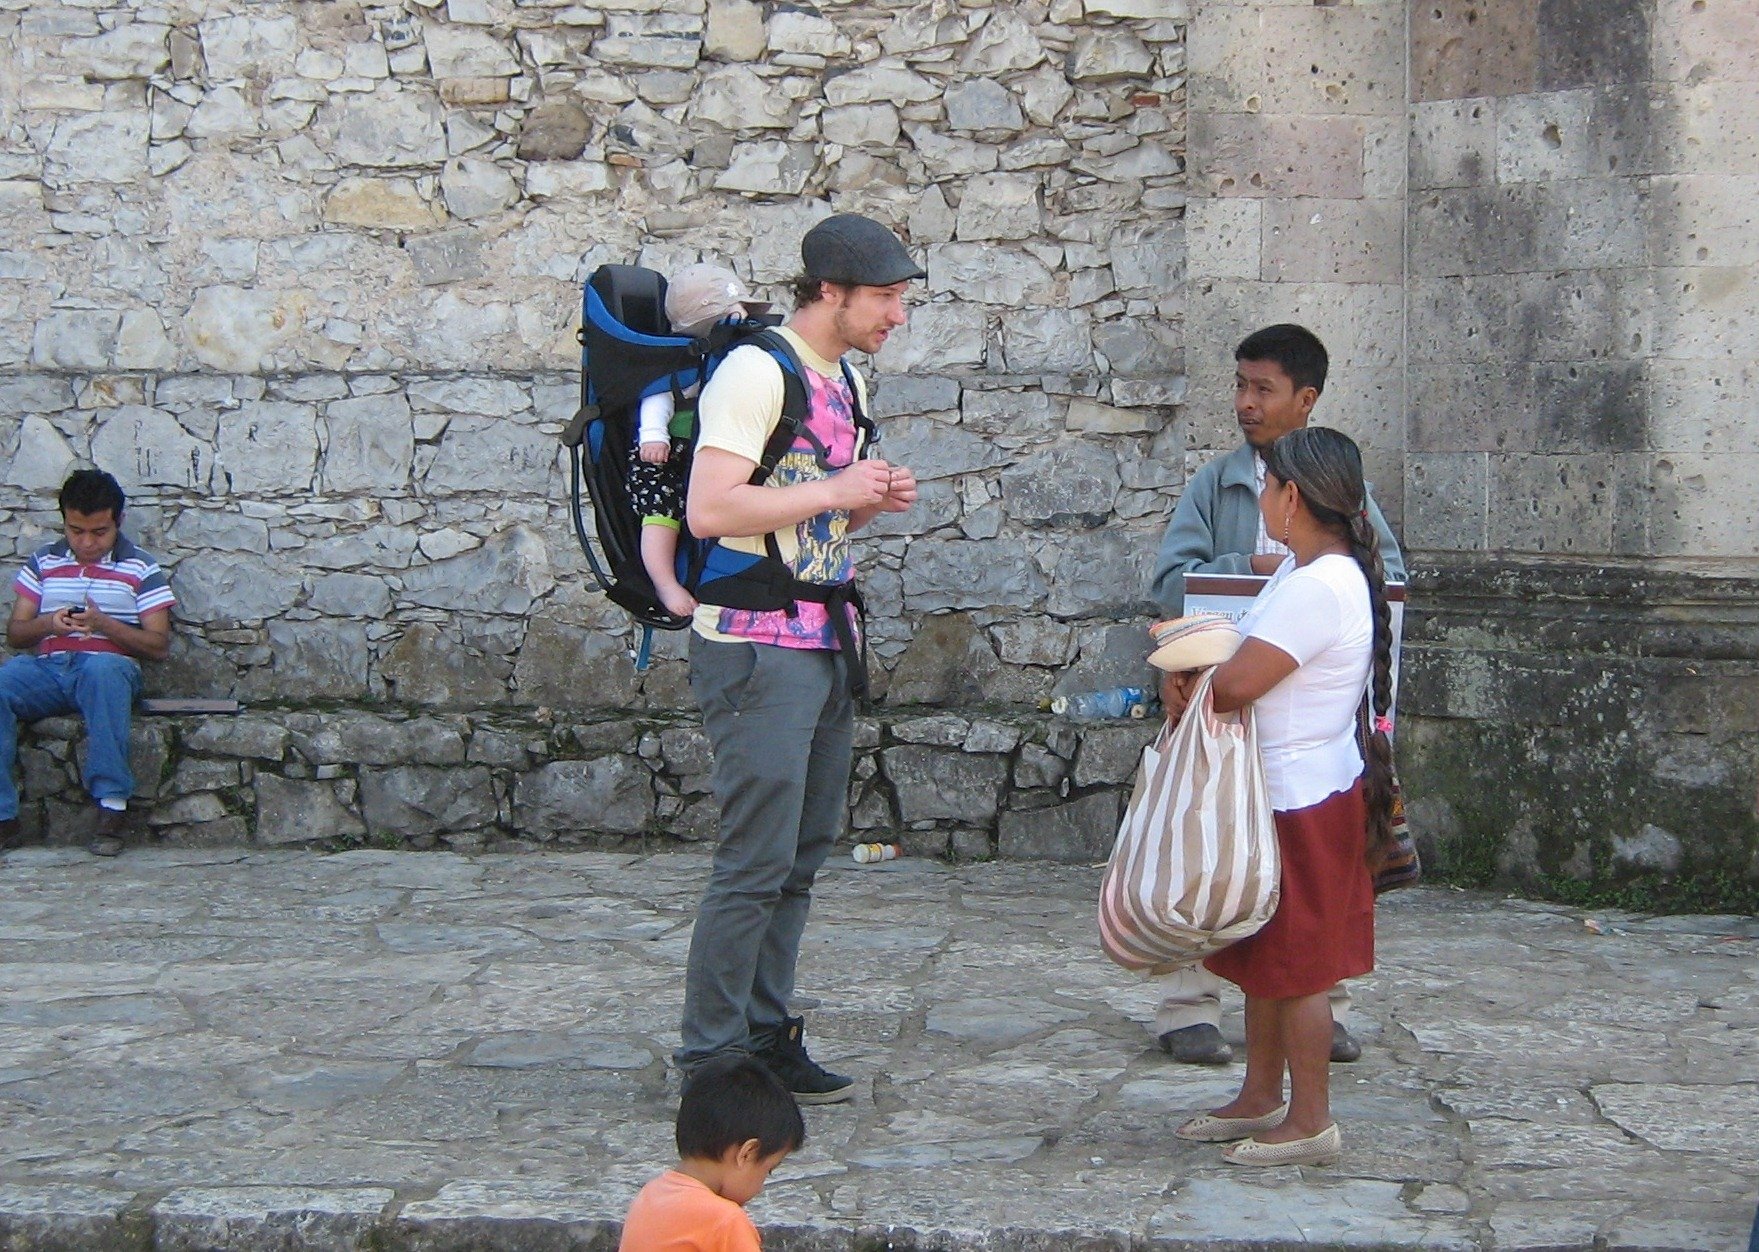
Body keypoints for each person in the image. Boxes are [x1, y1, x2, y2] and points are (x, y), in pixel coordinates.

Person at [674, 214, 920, 1103]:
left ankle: (765, 1033)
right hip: (752, 647)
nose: (897, 314)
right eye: (886, 297)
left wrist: (864, 504)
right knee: (753, 857)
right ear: (832, 291)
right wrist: (836, 489)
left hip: (819, 639)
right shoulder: (755, 371)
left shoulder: (843, 379)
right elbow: (709, 510)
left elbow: (811, 512)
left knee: (802, 853)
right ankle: (711, 1057)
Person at [1146, 323, 1405, 1067]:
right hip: (1225, 724)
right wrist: (1245, 567)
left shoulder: (1335, 502)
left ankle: (1319, 1007)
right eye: (1239, 385)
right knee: (1209, 854)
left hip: (1300, 724)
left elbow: (1379, 573)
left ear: (1306, 400)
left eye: (1262, 389)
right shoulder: (1215, 483)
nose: (1244, 403)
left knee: (1306, 881)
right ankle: (1188, 1005)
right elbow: (1169, 580)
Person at [1168, 426, 1395, 1167]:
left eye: (1266, 487)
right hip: (1285, 790)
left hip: (1301, 797)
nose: (1259, 498)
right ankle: (1261, 1093)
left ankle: (1311, 1121)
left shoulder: (1318, 586)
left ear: (1291, 497)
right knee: (1264, 952)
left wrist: (1188, 676)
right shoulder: (1306, 574)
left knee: (1299, 969)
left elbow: (1235, 684)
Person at [1, 469, 174, 858]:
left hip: (107, 668)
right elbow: (16, 634)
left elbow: (158, 645)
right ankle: (3, 818)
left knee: (102, 671)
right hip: (47, 668)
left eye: (99, 532)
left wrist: (104, 625)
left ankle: (112, 806)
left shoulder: (140, 568)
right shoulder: (43, 561)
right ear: (64, 521)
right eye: (76, 531)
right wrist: (48, 622)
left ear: (119, 522)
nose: (87, 542)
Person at [633, 263, 773, 619]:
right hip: (664, 456)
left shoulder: (724, 360)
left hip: (699, 456)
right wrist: (652, 436)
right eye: (733, 314)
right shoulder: (684, 364)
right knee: (661, 518)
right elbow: (657, 398)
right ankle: (665, 584)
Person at [618, 1054, 805, 1252]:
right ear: (747, 1153)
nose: (760, 1188)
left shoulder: (650, 1195)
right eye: (768, 1170)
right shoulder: (725, 1221)